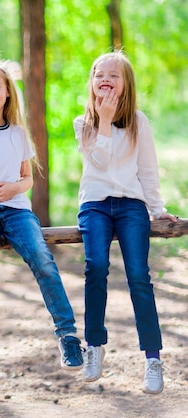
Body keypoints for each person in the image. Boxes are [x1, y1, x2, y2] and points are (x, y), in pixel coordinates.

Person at [0, 57, 84, 391]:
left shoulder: (20, 133)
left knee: (42, 259)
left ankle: (68, 336)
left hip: (16, 209)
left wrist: (12, 188)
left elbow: (26, 179)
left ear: (8, 92)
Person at [74, 51, 178, 394]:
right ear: (91, 83)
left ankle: (152, 358)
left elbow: (147, 170)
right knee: (96, 267)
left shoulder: (139, 121)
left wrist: (157, 208)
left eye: (113, 75)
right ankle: (94, 346)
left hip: (132, 205)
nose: (105, 79)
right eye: (98, 74)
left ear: (125, 83)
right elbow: (99, 161)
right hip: (96, 206)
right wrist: (103, 120)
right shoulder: (83, 123)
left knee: (138, 276)